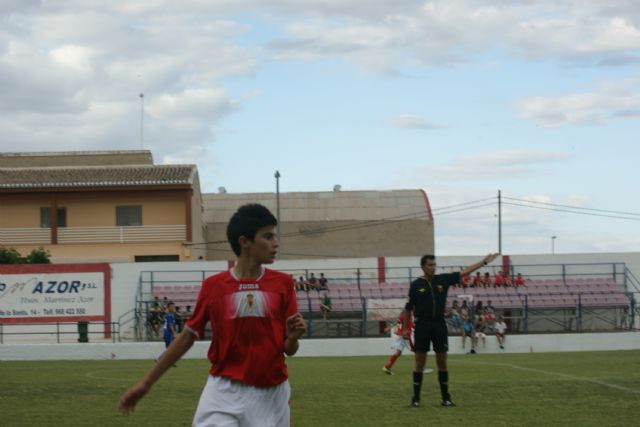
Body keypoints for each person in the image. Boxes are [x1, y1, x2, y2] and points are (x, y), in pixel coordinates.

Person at [118, 203, 307, 427]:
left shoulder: (283, 284)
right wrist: (146, 383)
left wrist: (293, 338)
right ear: (244, 242)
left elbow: (289, 349)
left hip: (273, 395)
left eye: (274, 236)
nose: (275, 243)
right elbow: (187, 336)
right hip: (225, 392)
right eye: (267, 236)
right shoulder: (214, 287)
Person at [403, 252, 498, 408]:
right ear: (423, 267)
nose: (433, 267)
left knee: (442, 362)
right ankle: (416, 399)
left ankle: (446, 398)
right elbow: (408, 308)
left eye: (434, 265)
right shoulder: (415, 285)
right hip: (422, 326)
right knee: (419, 363)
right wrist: (406, 329)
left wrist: (484, 262)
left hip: (439, 325)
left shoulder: (443, 279)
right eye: (430, 265)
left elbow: (465, 272)